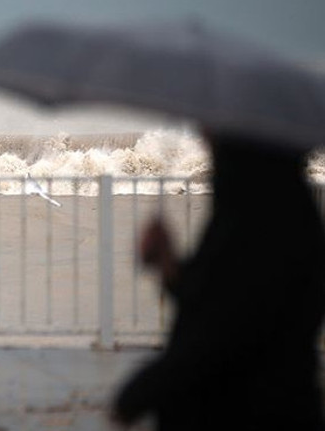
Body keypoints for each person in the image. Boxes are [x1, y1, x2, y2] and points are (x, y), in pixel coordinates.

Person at [112, 134, 325, 430]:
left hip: (248, 412)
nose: (205, 135)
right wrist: (168, 264)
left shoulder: (263, 216)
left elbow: (225, 330)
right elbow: (219, 292)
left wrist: (142, 391)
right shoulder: (268, 205)